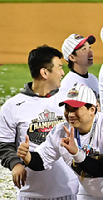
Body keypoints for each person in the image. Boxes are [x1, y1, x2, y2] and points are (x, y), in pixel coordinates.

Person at [0, 46, 78, 200]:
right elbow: (4, 144)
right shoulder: (12, 107)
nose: (63, 73)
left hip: (68, 190)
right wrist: (15, 164)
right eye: (59, 68)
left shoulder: (69, 101)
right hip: (30, 193)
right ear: (44, 72)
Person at [17, 85, 103, 199]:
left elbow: (100, 169)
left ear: (92, 109)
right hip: (87, 193)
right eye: (67, 109)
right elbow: (41, 160)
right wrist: (27, 156)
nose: (70, 114)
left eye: (75, 109)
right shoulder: (61, 131)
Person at [59, 33, 100, 103]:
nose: (90, 51)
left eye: (89, 47)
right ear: (72, 57)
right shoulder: (67, 86)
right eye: (84, 49)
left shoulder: (94, 79)